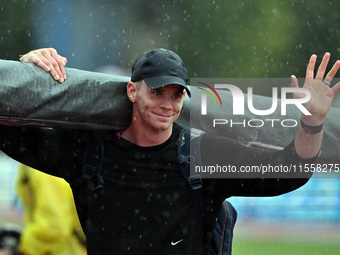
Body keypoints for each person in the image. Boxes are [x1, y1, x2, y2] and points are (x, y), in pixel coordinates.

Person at [0, 47, 339, 255]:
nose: (167, 103)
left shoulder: (201, 154)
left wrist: (311, 123)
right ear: (132, 91)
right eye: (158, 92)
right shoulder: (90, 152)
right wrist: (26, 72)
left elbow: (286, 171)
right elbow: (9, 133)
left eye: (176, 95)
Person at [15, 164, 87, 255]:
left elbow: (55, 226)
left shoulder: (42, 165)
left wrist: (25, 248)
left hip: (65, 250)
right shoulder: (36, 160)